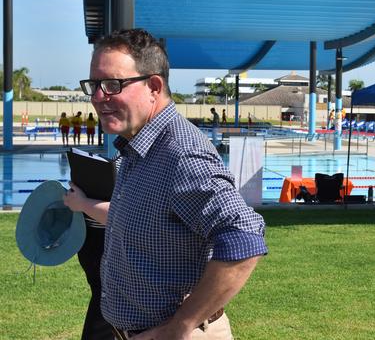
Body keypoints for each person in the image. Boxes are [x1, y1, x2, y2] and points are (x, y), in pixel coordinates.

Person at [65, 28, 267, 339]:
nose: (97, 97)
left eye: (111, 85)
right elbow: (132, 221)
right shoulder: (138, 147)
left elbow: (243, 237)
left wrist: (180, 326)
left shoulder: (181, 153)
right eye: (93, 85)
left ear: (154, 87)